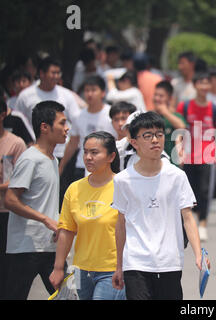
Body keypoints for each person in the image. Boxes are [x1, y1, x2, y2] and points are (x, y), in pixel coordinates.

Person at [111, 112, 205, 300]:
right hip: (135, 263)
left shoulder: (177, 176)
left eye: (159, 134)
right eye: (147, 135)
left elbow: (187, 217)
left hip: (169, 261)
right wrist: (119, 265)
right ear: (134, 142)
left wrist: (198, 253)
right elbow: (120, 224)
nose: (155, 140)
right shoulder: (123, 180)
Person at [49, 131, 125, 300]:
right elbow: (67, 231)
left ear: (111, 157)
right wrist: (58, 267)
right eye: (85, 152)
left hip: (113, 270)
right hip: (81, 271)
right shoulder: (74, 189)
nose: (88, 157)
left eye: (94, 152)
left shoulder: (123, 186)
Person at [4, 101, 68, 300]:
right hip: (25, 247)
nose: (67, 129)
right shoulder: (30, 158)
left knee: (66, 296)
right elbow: (11, 200)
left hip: (49, 246)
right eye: (62, 123)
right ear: (44, 127)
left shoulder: (53, 159)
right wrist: (46, 220)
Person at [13, 56, 81, 204]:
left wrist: (62, 165)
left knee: (63, 195)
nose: (56, 76)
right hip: (36, 149)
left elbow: (77, 123)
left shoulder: (66, 95)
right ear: (41, 74)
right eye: (53, 72)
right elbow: (18, 122)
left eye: (58, 73)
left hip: (63, 154)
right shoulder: (26, 95)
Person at [176, 72, 216, 241]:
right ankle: (194, 217)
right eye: (201, 83)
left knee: (205, 191)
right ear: (195, 85)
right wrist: (179, 148)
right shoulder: (185, 106)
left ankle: (203, 223)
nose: (204, 87)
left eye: (207, 83)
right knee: (190, 191)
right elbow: (179, 129)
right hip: (188, 156)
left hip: (207, 156)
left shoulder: (215, 109)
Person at [59, 75, 116, 182]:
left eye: (93, 90)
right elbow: (73, 142)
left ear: (103, 93)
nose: (89, 94)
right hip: (82, 165)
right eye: (87, 90)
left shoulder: (111, 115)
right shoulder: (79, 116)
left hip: (105, 166)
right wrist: (61, 166)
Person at [0, 100, 27, 299]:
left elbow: (19, 180)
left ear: (4, 114)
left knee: (5, 265)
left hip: (6, 212)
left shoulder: (15, 143)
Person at [153, 80, 186, 163]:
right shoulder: (150, 116)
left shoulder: (176, 116)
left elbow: (181, 126)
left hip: (172, 164)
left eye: (161, 96)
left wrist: (165, 112)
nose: (157, 98)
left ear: (170, 98)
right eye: (155, 95)